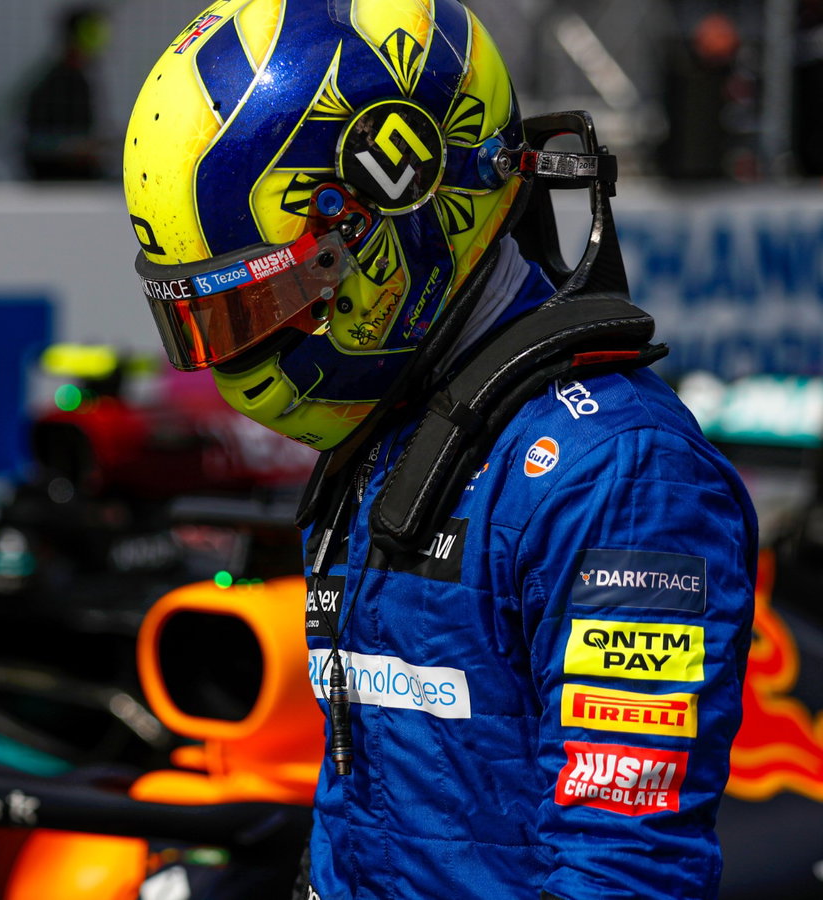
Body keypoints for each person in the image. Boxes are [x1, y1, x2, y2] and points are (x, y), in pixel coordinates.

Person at [121, 2, 756, 898]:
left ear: (395, 200)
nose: (242, 350)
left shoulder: (618, 473)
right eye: (209, 321)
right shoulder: (397, 430)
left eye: (259, 306)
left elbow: (624, 870)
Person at [21, 6, 110, 181]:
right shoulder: (55, 84)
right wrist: (77, 148)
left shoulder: (79, 81)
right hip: (58, 182)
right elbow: (38, 142)